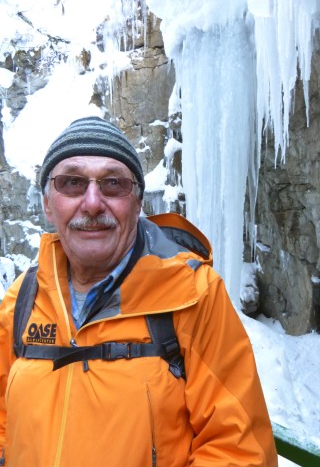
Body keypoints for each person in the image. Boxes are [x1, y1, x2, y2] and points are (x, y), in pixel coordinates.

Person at [0, 116, 278, 466]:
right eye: (71, 183)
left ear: (137, 202)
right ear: (47, 204)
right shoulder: (22, 299)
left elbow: (240, 450)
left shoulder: (193, 296)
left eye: (113, 184)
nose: (92, 203)